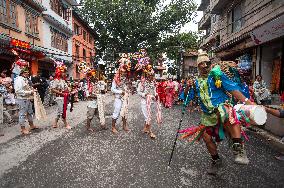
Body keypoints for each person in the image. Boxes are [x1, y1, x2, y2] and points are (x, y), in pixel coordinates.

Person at [182, 51, 254, 175]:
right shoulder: (196, 82)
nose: (205, 65)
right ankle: (216, 161)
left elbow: (232, 88)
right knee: (206, 137)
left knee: (225, 112)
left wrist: (248, 102)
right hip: (208, 115)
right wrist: (188, 87)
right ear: (198, 66)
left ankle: (238, 150)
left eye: (207, 63)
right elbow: (186, 98)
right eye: (201, 63)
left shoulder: (217, 75)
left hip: (222, 108)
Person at [137, 65, 162, 139]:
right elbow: (138, 91)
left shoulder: (153, 82)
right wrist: (145, 94)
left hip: (151, 102)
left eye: (152, 75)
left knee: (148, 116)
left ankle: (145, 128)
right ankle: (151, 132)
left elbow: (154, 91)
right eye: (150, 75)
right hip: (144, 102)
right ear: (147, 75)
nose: (152, 77)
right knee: (148, 117)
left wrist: (156, 95)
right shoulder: (142, 82)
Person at [14, 67, 39, 135]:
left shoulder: (25, 79)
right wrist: (30, 91)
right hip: (21, 99)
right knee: (22, 114)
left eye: (28, 72)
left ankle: (31, 126)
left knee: (30, 112)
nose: (27, 73)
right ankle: (23, 129)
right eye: (26, 72)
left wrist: (32, 90)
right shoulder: (19, 80)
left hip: (27, 98)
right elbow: (18, 91)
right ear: (22, 73)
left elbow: (27, 88)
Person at [111, 56, 131, 134]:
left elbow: (128, 87)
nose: (124, 74)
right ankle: (113, 127)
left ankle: (124, 126)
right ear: (120, 72)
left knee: (125, 111)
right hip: (118, 98)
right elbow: (112, 89)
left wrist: (128, 89)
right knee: (116, 111)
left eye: (125, 73)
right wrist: (120, 92)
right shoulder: (115, 79)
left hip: (125, 98)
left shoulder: (126, 79)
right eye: (122, 72)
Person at [50, 65, 71, 129]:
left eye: (64, 72)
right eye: (63, 72)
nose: (64, 73)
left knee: (59, 110)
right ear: (59, 72)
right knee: (62, 111)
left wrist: (69, 91)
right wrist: (61, 93)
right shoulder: (56, 80)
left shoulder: (63, 80)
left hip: (64, 97)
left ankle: (55, 123)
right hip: (59, 97)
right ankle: (66, 124)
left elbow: (66, 89)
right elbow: (52, 89)